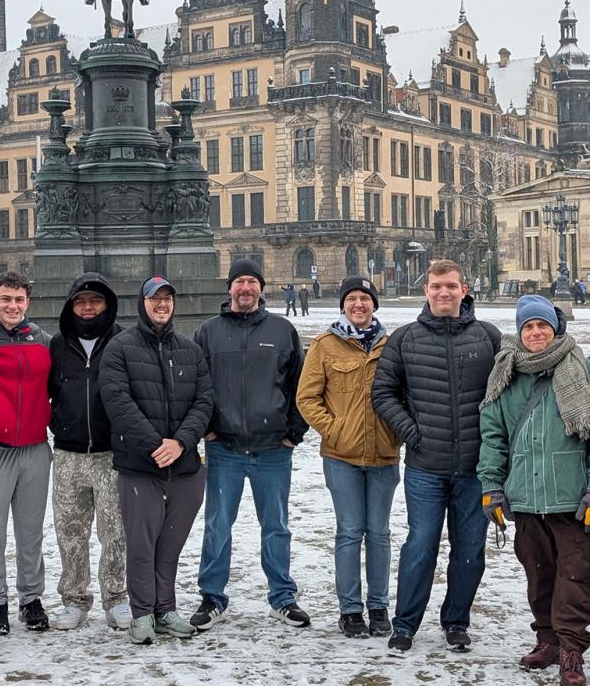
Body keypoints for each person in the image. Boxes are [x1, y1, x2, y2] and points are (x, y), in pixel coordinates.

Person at [478, 295, 590, 686]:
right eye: (529, 327)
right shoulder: (504, 374)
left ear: (555, 330)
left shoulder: (584, 370)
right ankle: (548, 640)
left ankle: (572, 650)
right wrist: (491, 485)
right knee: (538, 576)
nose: (536, 333)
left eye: (543, 326)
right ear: (520, 333)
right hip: (524, 497)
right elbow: (493, 436)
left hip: (572, 498)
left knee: (575, 574)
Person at [371, 259, 501, 654]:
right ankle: (405, 623)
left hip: (476, 467)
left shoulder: (488, 337)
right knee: (420, 545)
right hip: (426, 465)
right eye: (436, 287)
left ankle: (456, 621)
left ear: (465, 290)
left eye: (451, 286)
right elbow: (383, 393)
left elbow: (508, 395)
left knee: (470, 548)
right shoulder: (406, 338)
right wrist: (413, 432)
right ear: (425, 291)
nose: (443, 293)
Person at [191, 259, 309, 630]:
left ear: (261, 288)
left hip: (273, 447)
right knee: (217, 525)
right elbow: (196, 386)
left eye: (251, 282)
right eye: (239, 281)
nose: (245, 288)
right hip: (224, 447)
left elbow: (301, 388)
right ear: (230, 288)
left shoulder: (283, 330)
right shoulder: (208, 333)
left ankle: (282, 596)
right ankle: (212, 596)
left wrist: (294, 432)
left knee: (276, 525)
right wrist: (207, 429)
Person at [101, 277, 215, 645]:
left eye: (167, 299)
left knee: (170, 544)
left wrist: (180, 442)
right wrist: (156, 445)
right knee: (141, 542)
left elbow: (204, 401)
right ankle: (142, 614)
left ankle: (165, 609)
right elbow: (118, 403)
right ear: (142, 303)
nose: (162, 305)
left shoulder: (190, 350)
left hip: (184, 465)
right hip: (140, 464)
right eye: (155, 299)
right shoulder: (120, 348)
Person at [295, 276, 399, 638]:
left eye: (365, 298)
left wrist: (397, 431)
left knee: (380, 534)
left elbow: (408, 396)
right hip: (341, 455)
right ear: (343, 305)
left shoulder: (393, 345)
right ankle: (351, 609)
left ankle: (379, 606)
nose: (358, 304)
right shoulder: (325, 345)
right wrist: (335, 429)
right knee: (350, 533)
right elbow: (307, 398)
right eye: (352, 298)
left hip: (384, 454)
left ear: (374, 304)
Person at [0, 271, 53, 636]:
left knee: (31, 532)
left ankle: (31, 599)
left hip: (34, 448)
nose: (13, 306)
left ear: (27, 303)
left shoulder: (41, 339)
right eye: (6, 299)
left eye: (19, 300)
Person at [47, 273, 131, 631]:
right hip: (68, 454)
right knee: (70, 530)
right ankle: (75, 599)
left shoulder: (124, 341)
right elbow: (49, 390)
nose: (87, 308)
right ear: (71, 306)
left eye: (95, 301)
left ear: (107, 305)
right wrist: (59, 421)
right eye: (81, 302)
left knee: (115, 531)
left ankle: (116, 597)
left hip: (112, 454)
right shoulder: (56, 344)